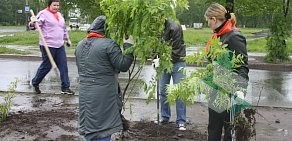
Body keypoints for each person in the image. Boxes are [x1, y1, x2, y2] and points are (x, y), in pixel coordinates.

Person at [75, 16, 134, 141]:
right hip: (104, 94)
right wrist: (129, 45)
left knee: (89, 125)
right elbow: (123, 65)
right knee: (103, 127)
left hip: (85, 94)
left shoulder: (80, 45)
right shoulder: (108, 44)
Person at [204, 3, 249, 141]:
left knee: (230, 131)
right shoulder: (217, 36)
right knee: (213, 128)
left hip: (230, 91)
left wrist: (240, 89)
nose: (207, 24)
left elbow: (242, 66)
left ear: (214, 19)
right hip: (216, 89)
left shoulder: (234, 36)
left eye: (207, 21)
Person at [29, 0, 74, 94]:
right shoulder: (43, 14)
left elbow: (63, 28)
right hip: (47, 45)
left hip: (59, 45)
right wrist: (33, 22)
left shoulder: (59, 15)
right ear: (49, 5)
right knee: (47, 66)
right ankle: (35, 82)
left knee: (63, 66)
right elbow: (35, 26)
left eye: (58, 5)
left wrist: (67, 39)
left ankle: (65, 88)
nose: (56, 7)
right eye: (54, 5)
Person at [158, 19, 187, 131]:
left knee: (179, 91)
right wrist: (156, 59)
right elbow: (155, 46)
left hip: (178, 61)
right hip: (164, 62)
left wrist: (166, 61)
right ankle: (164, 117)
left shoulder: (174, 26)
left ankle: (181, 121)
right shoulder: (154, 27)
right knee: (163, 91)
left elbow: (176, 48)